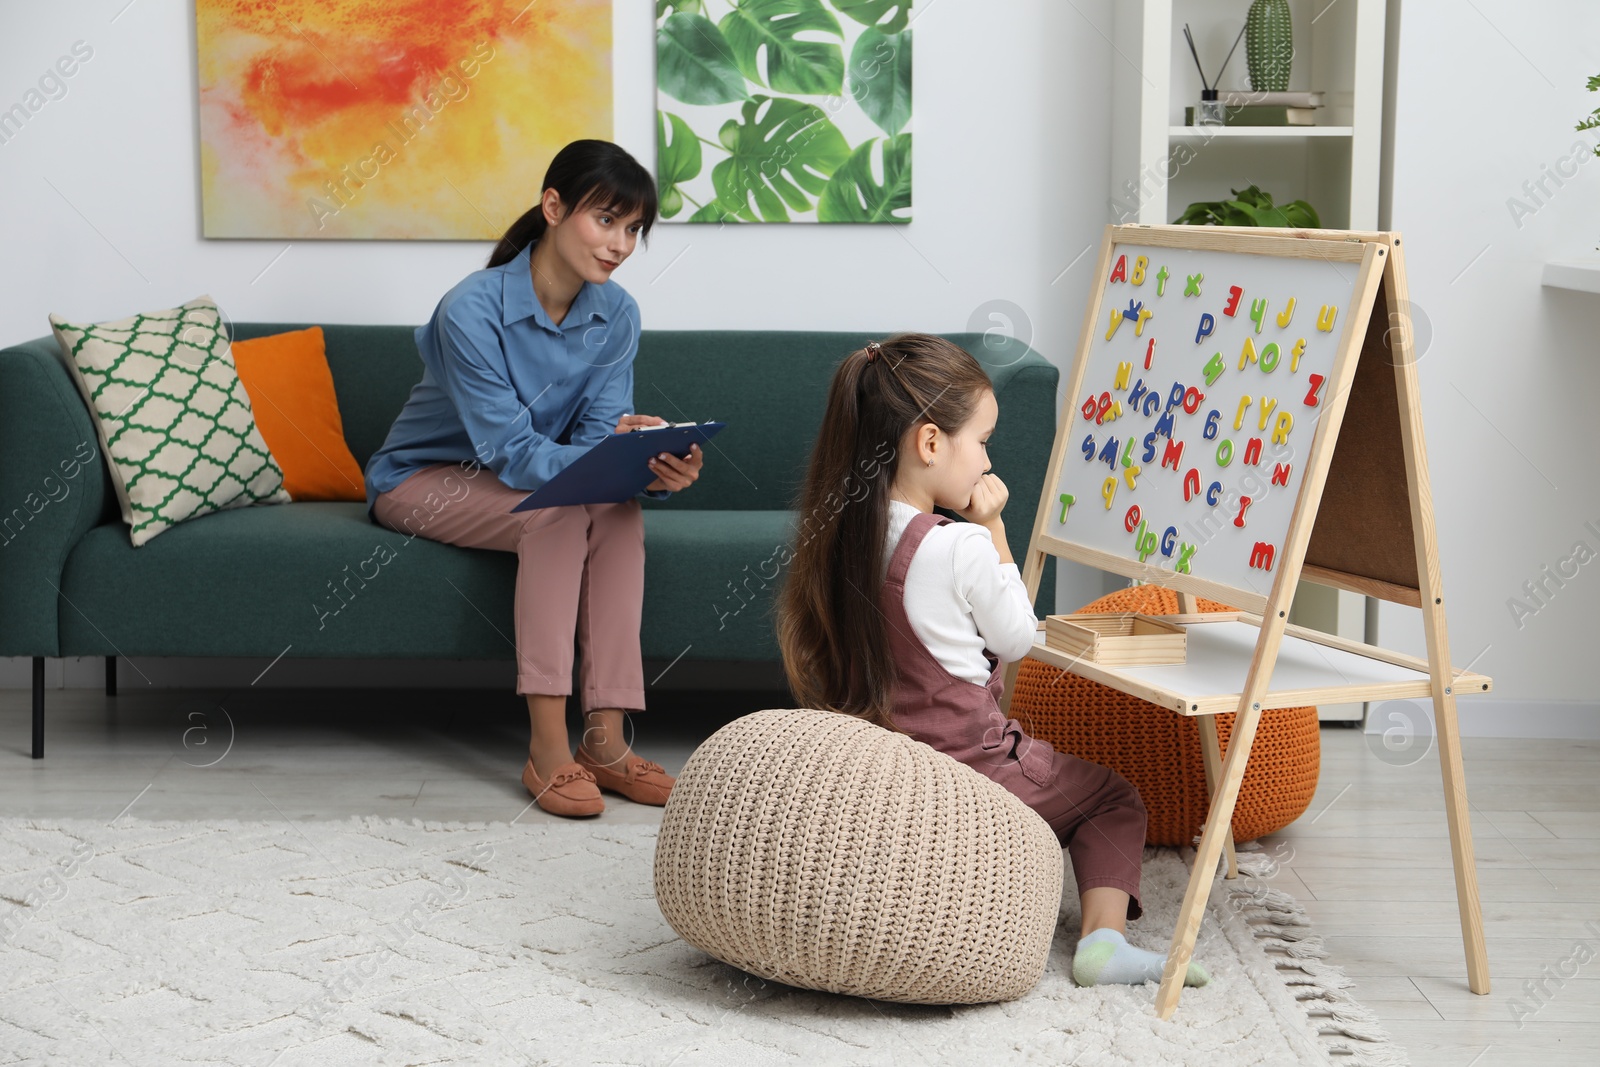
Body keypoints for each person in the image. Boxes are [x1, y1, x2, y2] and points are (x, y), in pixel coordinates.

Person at [775, 333, 1208, 988]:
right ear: (928, 443)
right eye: (980, 440)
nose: (986, 459)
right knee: (1113, 799)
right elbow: (1017, 638)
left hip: (883, 766)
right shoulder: (959, 547)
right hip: (969, 767)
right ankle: (1102, 942)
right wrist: (996, 530)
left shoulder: (836, 534)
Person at [364, 140, 700, 819]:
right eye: (606, 220)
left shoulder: (617, 315)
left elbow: (595, 439)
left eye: (633, 229)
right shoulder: (470, 309)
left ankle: (605, 741)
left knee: (617, 513)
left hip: (523, 478)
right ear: (553, 207)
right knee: (558, 513)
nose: (620, 243)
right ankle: (548, 745)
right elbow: (513, 453)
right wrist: (608, 460)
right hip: (424, 479)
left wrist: (653, 466)